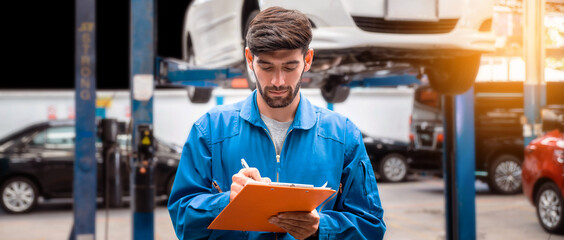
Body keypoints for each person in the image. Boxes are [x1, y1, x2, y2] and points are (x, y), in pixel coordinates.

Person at [168, 6, 386, 240]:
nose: (278, 81)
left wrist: (320, 228)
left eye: (290, 67)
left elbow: (371, 226)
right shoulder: (210, 130)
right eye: (267, 66)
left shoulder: (343, 136)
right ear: (250, 59)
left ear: (308, 60)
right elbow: (182, 219)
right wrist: (228, 201)